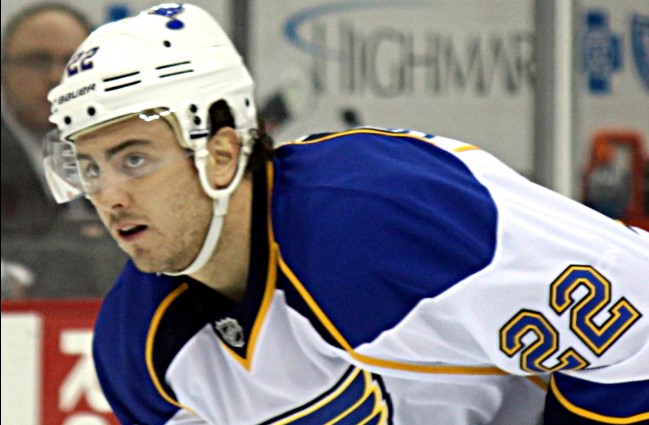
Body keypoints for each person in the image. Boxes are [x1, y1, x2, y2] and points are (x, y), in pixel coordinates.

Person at [42, 3, 648, 424]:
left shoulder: (384, 212)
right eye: (90, 168)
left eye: (134, 159)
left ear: (221, 154)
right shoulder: (137, 346)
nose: (108, 195)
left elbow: (637, 313)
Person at [1, 3, 127, 299]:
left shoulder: (127, 147)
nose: (56, 76)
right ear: (4, 71)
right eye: (38, 61)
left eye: (73, 63)